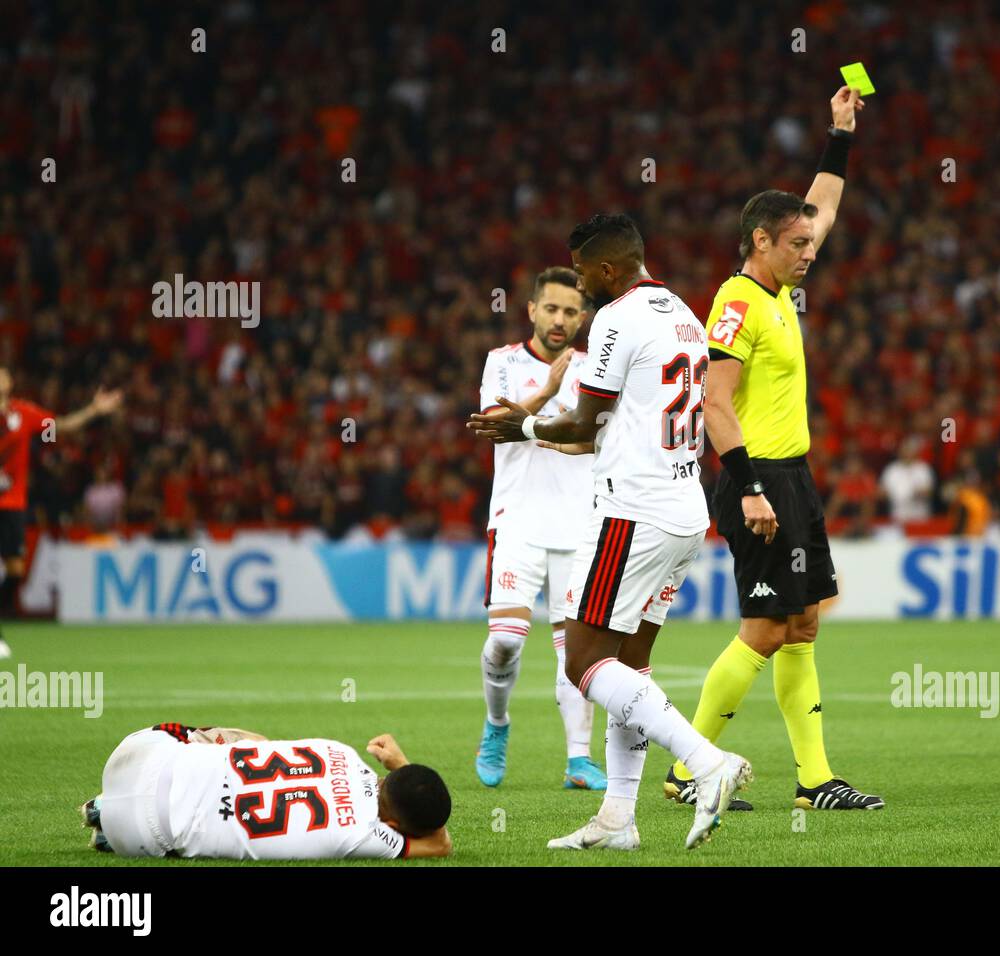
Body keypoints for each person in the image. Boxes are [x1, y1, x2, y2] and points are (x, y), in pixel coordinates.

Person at [468, 213, 751, 850]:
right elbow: (624, 420)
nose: (579, 285)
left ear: (604, 268)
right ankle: (618, 818)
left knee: (582, 663)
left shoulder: (619, 319)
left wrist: (527, 428)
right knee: (631, 666)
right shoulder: (681, 309)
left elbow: (583, 425)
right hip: (684, 509)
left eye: (581, 271)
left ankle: (708, 762)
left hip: (634, 514)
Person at [664, 87, 884, 812]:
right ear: (761, 240)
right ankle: (689, 768)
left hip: (792, 476)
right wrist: (750, 487)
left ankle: (815, 779)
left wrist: (840, 134)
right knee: (763, 629)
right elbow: (714, 404)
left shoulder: (781, 290)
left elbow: (820, 206)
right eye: (797, 243)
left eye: (811, 243)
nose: (810, 251)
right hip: (755, 481)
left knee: (804, 623)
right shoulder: (736, 303)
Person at [474, 266, 606, 791]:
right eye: (551, 308)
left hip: (580, 525)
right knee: (505, 643)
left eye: (571, 311)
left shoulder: (599, 367)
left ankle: (578, 758)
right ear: (531, 309)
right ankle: (497, 725)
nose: (560, 320)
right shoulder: (502, 363)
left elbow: (608, 435)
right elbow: (491, 425)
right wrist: (548, 390)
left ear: (583, 317)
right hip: (518, 521)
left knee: (574, 653)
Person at [83, 724, 452, 859]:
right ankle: (105, 820)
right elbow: (441, 844)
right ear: (391, 822)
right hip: (140, 837)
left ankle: (104, 804)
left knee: (259, 743)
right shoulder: (361, 835)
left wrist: (401, 765)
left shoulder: (341, 751)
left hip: (135, 756)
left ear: (387, 779)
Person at [0, 367, 122, 658]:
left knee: (16, 570)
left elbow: (61, 427)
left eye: (3, 374)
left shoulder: (24, 414)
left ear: (9, 382)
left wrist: (93, 410)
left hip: (12, 504)